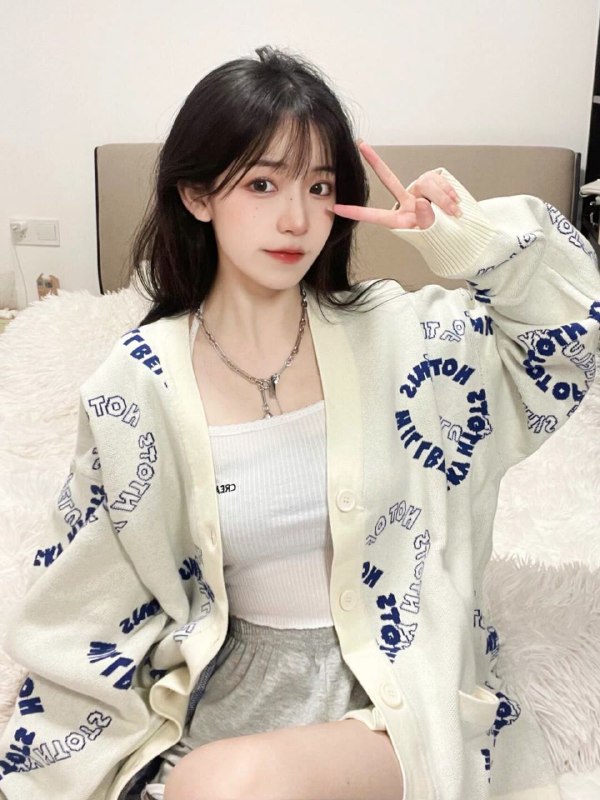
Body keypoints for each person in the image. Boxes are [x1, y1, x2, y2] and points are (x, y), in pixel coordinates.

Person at [0, 45, 599, 800]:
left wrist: (474, 244)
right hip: (229, 700)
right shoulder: (139, 383)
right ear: (196, 195)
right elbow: (84, 591)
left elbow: (569, 339)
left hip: (397, 698)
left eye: (319, 187)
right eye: (262, 183)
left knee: (220, 787)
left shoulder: (407, 339)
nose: (296, 218)